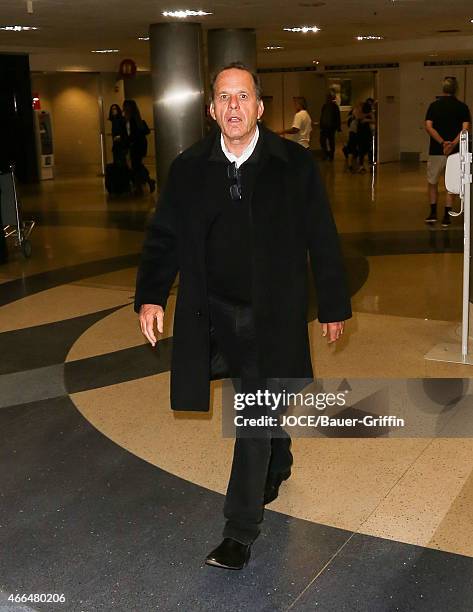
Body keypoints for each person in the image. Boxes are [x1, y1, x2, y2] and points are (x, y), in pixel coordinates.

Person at [134, 62, 351, 571]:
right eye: (224, 98)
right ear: (211, 110)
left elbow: (322, 236)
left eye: (243, 97)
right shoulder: (189, 168)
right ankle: (280, 453)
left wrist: (334, 305)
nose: (233, 106)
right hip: (212, 313)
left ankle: (239, 530)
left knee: (252, 409)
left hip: (271, 314)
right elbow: (164, 235)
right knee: (256, 401)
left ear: (259, 107)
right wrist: (150, 296)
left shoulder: (293, 165)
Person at [424, 77, 471, 227]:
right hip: (456, 152)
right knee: (451, 185)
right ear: (456, 89)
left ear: (443, 89)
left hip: (436, 150)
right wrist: (452, 144)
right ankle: (447, 215)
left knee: (432, 182)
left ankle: (432, 213)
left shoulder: (434, 106)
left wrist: (442, 142)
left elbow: (428, 127)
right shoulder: (462, 107)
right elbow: (465, 130)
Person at [122, 99, 156, 194]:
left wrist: (128, 142)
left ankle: (146, 182)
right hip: (138, 145)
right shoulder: (134, 118)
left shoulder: (132, 119)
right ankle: (141, 185)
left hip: (136, 146)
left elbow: (134, 134)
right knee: (136, 165)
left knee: (136, 165)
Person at [319, 93, 341, 161]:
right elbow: (322, 116)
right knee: (322, 141)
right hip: (324, 127)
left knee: (331, 141)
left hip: (331, 127)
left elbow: (338, 117)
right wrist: (321, 124)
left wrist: (338, 127)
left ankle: (331, 155)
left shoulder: (335, 107)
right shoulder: (324, 106)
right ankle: (326, 154)